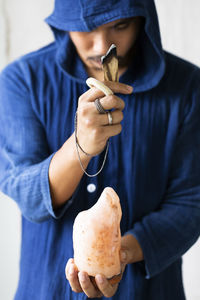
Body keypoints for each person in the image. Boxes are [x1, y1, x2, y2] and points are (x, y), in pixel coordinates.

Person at [0, 0, 200, 299]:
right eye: (85, 29)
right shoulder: (22, 80)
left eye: (120, 26)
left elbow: (191, 202)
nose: (102, 45)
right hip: (45, 288)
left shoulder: (187, 86)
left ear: (142, 21)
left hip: (149, 291)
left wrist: (117, 254)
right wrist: (80, 146)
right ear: (63, 26)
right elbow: (28, 198)